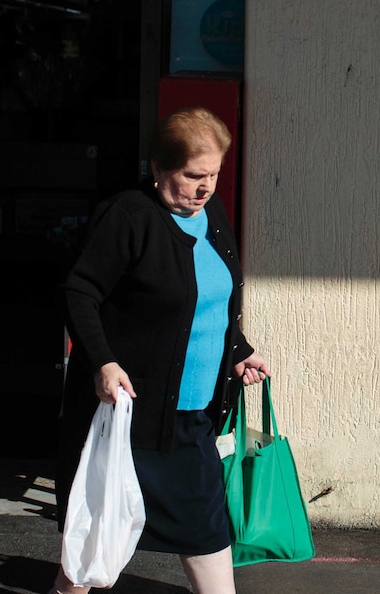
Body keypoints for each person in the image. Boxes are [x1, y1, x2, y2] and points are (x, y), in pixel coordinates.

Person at [49, 106, 269, 594]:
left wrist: (238, 349)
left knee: (205, 527)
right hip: (133, 415)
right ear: (158, 168)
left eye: (213, 174)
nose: (205, 187)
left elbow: (211, 300)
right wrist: (103, 362)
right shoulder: (129, 216)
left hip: (192, 416)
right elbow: (79, 292)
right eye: (193, 175)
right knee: (99, 535)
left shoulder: (212, 215)